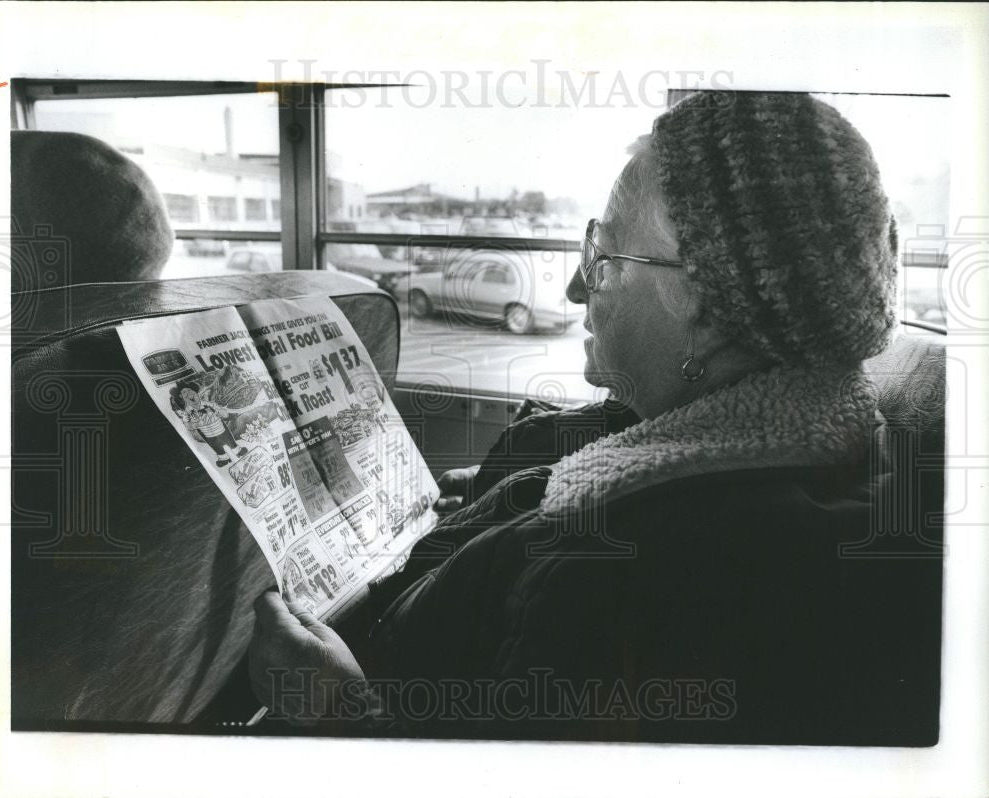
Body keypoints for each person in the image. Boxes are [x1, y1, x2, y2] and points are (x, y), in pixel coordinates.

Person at [248, 92, 941, 744]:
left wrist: (336, 711)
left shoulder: (625, 580)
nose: (579, 285)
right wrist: (506, 496)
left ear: (700, 303)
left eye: (602, 258)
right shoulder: (813, 449)